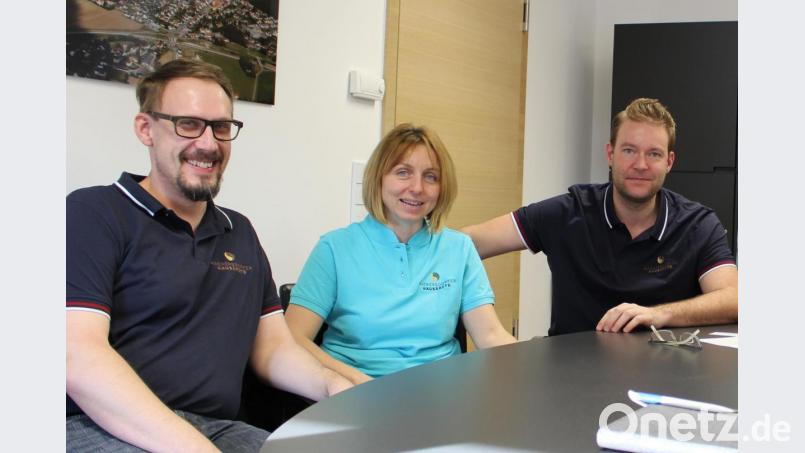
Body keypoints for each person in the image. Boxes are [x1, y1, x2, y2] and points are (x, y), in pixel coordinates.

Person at [66, 59, 351, 452]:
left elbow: (273, 349)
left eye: (220, 127)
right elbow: (78, 355)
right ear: (145, 129)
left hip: (216, 428)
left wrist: (333, 386)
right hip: (98, 425)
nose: (208, 143)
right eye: (188, 123)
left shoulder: (240, 231)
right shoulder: (93, 213)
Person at [462, 98, 738, 336]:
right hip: (571, 375)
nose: (640, 165)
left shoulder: (697, 224)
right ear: (610, 154)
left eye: (653, 154)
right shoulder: (568, 212)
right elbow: (467, 244)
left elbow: (734, 299)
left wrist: (659, 315)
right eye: (629, 150)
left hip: (663, 378)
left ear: (669, 162)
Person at [284, 123, 517, 385]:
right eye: (403, 172)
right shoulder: (334, 248)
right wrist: (355, 382)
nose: (417, 187)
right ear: (379, 178)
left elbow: (491, 336)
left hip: (443, 396)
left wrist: (539, 365)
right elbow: (293, 337)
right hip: (354, 393)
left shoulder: (459, 248)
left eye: (431, 176)